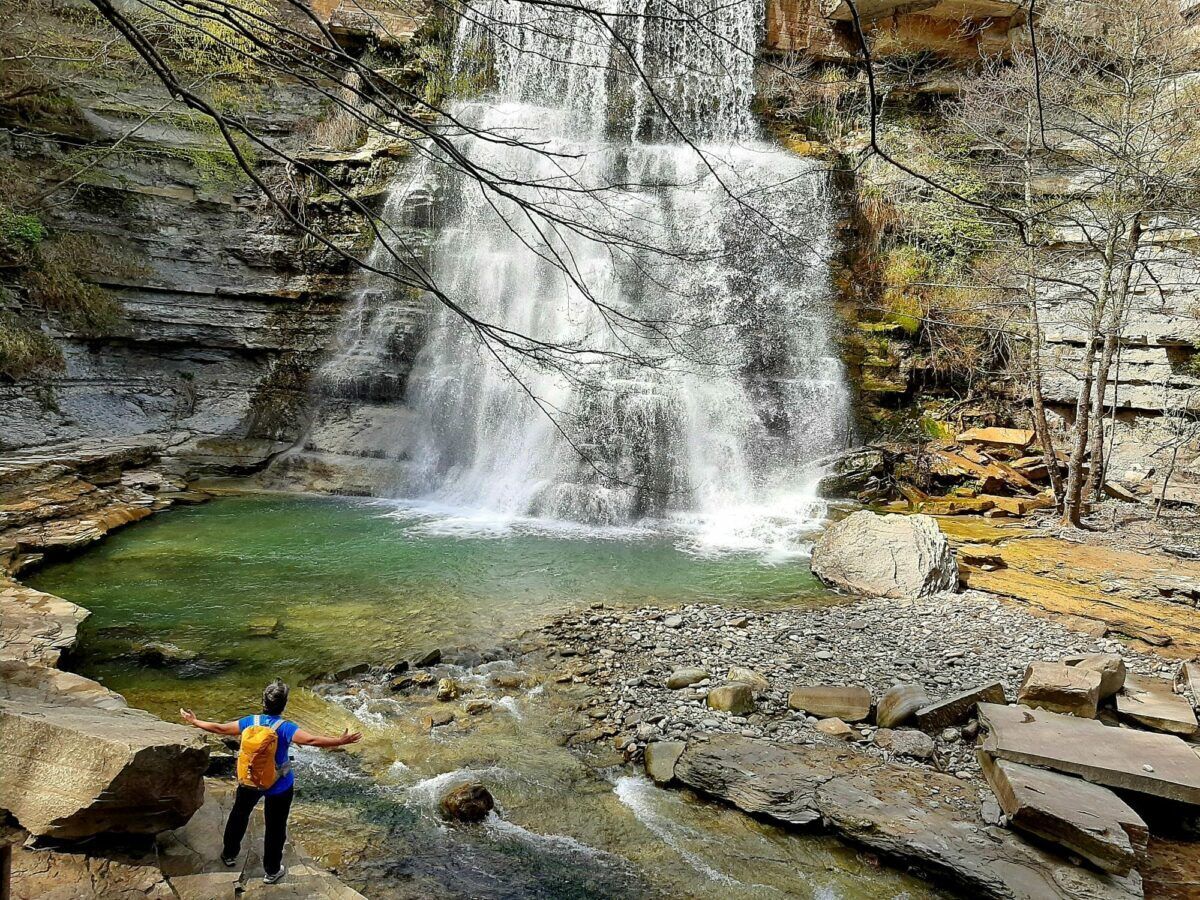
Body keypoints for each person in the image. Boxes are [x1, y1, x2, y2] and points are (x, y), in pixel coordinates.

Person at [180, 679, 362, 884]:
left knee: (239, 815)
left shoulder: (250, 722)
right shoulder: (286, 727)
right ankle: (272, 870)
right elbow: (311, 741)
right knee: (275, 827)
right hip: (279, 784)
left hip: (250, 780)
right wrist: (340, 740)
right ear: (284, 705)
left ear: (263, 702)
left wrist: (195, 721)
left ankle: (229, 855)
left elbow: (220, 729)